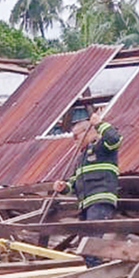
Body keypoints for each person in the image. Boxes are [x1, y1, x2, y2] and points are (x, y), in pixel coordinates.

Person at [53, 114, 123, 269]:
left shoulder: (102, 148)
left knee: (91, 242)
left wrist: (99, 124)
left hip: (100, 200)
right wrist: (63, 187)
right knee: (85, 243)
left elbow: (115, 139)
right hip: (86, 204)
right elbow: (73, 183)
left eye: (76, 136)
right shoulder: (81, 159)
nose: (74, 140)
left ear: (88, 132)